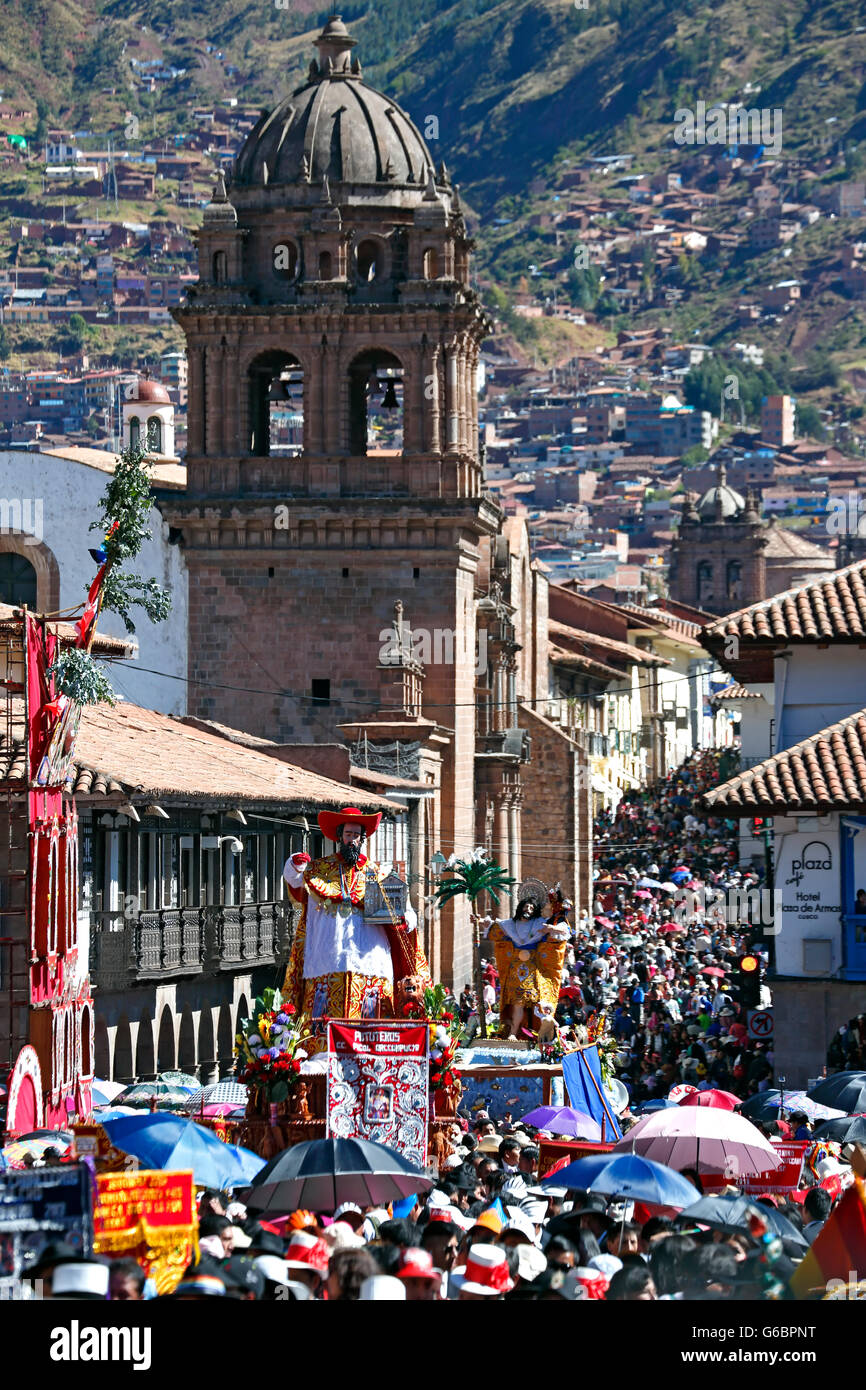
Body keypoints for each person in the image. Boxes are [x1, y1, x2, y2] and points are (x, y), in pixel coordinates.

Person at [282, 806, 429, 1051]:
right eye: (348, 834)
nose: (352, 839)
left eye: (356, 835)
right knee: (321, 1039)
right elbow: (296, 886)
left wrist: (404, 921)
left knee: (371, 1034)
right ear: (340, 837)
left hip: (372, 964)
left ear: (363, 838)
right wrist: (294, 864)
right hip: (326, 962)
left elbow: (409, 914)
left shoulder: (381, 874)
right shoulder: (319, 871)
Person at [481, 889, 569, 1039]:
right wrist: (480, 922)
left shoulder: (540, 923)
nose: (528, 909)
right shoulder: (510, 924)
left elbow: (564, 928)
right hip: (516, 970)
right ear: (520, 907)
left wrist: (552, 928)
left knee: (537, 1001)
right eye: (526, 906)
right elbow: (493, 925)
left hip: (534, 969)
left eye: (531, 908)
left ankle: (540, 1033)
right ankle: (514, 1032)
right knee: (517, 1002)